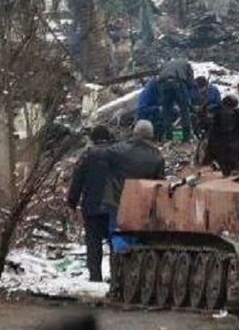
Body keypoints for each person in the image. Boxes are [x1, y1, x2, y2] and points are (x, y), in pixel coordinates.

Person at [66, 126, 117, 282]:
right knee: (115, 243)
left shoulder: (86, 156)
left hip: (92, 207)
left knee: (93, 244)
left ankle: (95, 277)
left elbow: (77, 182)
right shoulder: (118, 155)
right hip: (113, 207)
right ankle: (116, 277)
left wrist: (72, 204)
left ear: (93, 139)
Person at [106, 120, 166, 211]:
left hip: (119, 202)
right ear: (151, 135)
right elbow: (159, 184)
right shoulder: (156, 156)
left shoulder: (118, 149)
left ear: (135, 132)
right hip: (143, 204)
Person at [156, 59, 195, 141]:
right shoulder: (187, 64)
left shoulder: (166, 64)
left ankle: (168, 137)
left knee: (166, 111)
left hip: (165, 84)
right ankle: (186, 138)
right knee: (184, 111)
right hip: (178, 83)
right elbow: (191, 82)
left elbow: (159, 80)